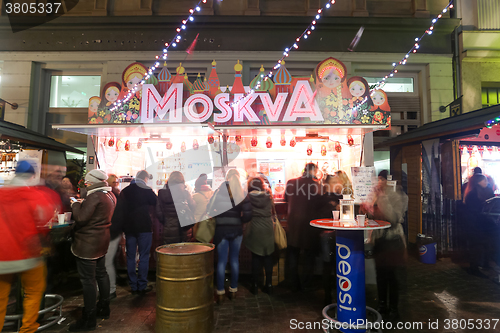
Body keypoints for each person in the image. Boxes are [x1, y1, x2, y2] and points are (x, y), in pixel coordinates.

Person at [0, 161, 60, 333]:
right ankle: (27, 329)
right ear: (32, 176)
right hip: (29, 254)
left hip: (2, 255)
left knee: (1, 296)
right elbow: (47, 219)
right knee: (33, 292)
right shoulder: (35, 195)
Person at [69, 169, 116, 331]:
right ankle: (104, 307)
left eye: (87, 182)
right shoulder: (109, 194)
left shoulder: (95, 196)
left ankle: (89, 319)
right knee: (101, 273)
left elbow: (81, 218)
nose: (86, 185)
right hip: (101, 241)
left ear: (92, 182)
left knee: (88, 280)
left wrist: (75, 204)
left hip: (87, 244)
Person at [361, 170, 408, 322]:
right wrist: (366, 209)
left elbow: (393, 218)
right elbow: (373, 216)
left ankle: (394, 309)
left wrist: (381, 198)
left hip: (393, 241)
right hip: (380, 241)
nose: (379, 182)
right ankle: (382, 305)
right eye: (378, 179)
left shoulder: (397, 195)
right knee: (380, 276)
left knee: (392, 277)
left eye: (382, 179)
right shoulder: (375, 194)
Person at [210, 169, 252, 303]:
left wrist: (220, 216)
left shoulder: (218, 191)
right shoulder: (242, 192)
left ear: (227, 177)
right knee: (234, 260)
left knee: (222, 261)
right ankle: (233, 290)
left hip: (221, 230)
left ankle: (221, 292)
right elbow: (248, 215)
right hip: (236, 231)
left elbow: (209, 209)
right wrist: (240, 221)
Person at [116, 170, 157, 295]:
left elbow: (120, 210)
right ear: (145, 178)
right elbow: (156, 203)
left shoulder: (125, 191)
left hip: (129, 228)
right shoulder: (147, 190)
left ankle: (133, 285)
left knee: (131, 257)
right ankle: (142, 285)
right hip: (144, 226)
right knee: (144, 256)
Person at [284, 162, 322, 292]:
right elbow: (319, 203)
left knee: (293, 252)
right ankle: (306, 283)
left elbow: (285, 199)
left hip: (293, 223)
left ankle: (293, 283)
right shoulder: (315, 185)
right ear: (314, 171)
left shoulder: (291, 182)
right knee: (308, 255)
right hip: (309, 224)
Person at [244, 177, 275, 295]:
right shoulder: (268, 195)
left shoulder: (247, 197)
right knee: (268, 257)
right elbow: (273, 210)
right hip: (267, 227)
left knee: (256, 257)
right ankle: (269, 285)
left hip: (255, 226)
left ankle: (255, 285)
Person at [315, 174, 343, 305]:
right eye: (334, 182)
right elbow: (319, 216)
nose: (337, 184)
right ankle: (331, 295)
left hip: (332, 234)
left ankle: (333, 295)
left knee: (332, 265)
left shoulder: (338, 198)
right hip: (331, 234)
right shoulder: (324, 199)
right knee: (332, 265)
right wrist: (334, 208)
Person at [463, 173, 495, 276]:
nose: (486, 182)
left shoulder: (481, 192)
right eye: (484, 180)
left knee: (482, 244)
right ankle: (474, 268)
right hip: (475, 224)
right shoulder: (473, 194)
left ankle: (482, 264)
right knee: (476, 246)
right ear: (478, 182)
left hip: (480, 223)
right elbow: (474, 210)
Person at [157, 171, 195, 244]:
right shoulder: (185, 193)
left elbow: (158, 211)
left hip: (169, 227)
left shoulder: (162, 193)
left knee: (170, 250)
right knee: (183, 251)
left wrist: (166, 221)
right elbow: (192, 206)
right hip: (184, 227)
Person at [105, 173, 122, 300]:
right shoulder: (117, 195)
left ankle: (110, 289)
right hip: (114, 231)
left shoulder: (109, 196)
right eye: (114, 182)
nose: (116, 184)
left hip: (111, 231)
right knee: (108, 261)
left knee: (107, 262)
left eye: (116, 182)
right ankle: (110, 287)